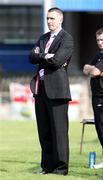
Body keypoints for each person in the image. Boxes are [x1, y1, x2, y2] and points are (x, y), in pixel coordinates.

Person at [29, 7, 74, 175]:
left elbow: (57, 61)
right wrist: (44, 56)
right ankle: (46, 166)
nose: (49, 21)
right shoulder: (43, 38)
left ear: (60, 20)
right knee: (44, 131)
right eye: (48, 18)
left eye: (52, 18)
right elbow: (31, 57)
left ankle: (61, 168)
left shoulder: (67, 39)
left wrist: (44, 56)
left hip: (57, 91)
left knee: (59, 132)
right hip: (40, 91)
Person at [83, 28, 103, 169]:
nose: (100, 43)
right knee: (100, 129)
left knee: (102, 130)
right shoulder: (98, 55)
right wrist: (94, 70)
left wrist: (94, 70)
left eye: (102, 40)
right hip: (96, 97)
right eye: (98, 40)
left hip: (102, 97)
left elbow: (95, 71)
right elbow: (85, 69)